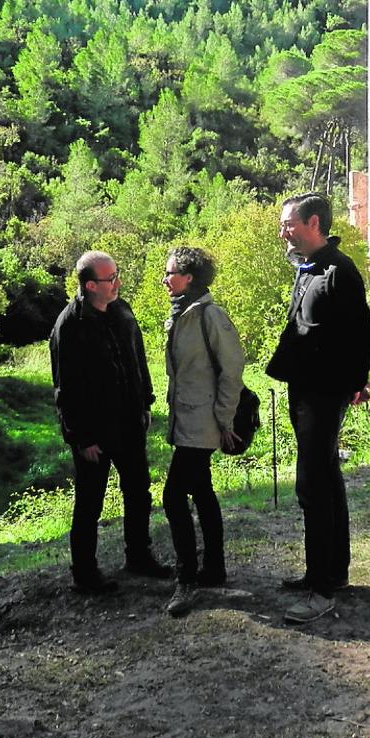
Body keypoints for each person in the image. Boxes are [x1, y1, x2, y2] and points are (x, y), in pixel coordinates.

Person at [266, 193, 370, 624]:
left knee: (312, 485)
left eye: (288, 223)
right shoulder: (308, 268)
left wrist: (352, 383)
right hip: (306, 390)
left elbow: (359, 335)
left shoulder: (339, 272)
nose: (282, 231)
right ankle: (332, 572)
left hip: (322, 395)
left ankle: (320, 589)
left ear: (313, 223)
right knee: (326, 478)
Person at [49, 250, 170, 594]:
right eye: (110, 279)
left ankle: (138, 556)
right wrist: (80, 437)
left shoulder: (122, 310)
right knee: (90, 502)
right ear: (90, 285)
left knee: (138, 491)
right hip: (94, 431)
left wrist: (145, 402)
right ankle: (85, 575)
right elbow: (65, 387)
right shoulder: (69, 326)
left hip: (129, 421)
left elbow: (137, 359)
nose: (117, 283)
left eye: (117, 275)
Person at [160, 247, 246, 617]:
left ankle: (187, 578)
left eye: (170, 273)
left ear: (189, 277)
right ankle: (214, 567)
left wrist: (225, 421)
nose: (165, 279)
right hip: (187, 418)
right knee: (201, 489)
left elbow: (232, 370)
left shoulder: (210, 315)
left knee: (173, 496)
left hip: (204, 422)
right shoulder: (181, 313)